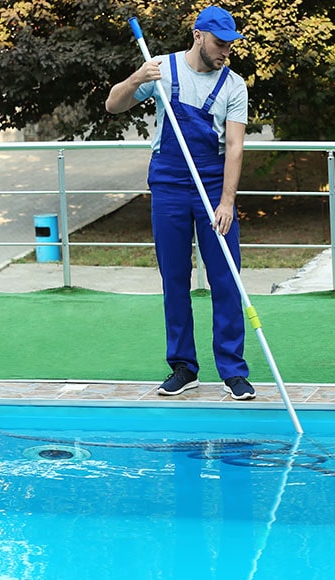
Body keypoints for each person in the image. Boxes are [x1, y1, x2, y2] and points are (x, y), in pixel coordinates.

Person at [105, 6, 255, 400]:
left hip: (212, 185)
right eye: (220, 43)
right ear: (198, 35)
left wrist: (226, 202)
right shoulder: (160, 70)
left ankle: (233, 371)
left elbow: (235, 147)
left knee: (226, 279)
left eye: (230, 45)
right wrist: (137, 77)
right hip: (169, 184)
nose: (226, 51)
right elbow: (113, 104)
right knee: (175, 279)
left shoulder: (234, 85)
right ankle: (183, 367)